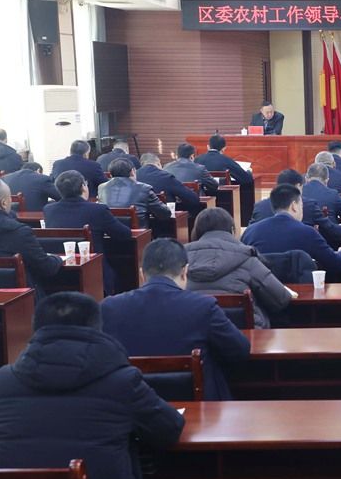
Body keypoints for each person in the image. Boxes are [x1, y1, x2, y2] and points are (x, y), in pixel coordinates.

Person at [0, 292, 184, 479]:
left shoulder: (5, 380)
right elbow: (168, 430)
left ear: (35, 329)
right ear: (98, 328)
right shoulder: (121, 381)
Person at [101, 239, 250, 400]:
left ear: (142, 274)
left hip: (131, 407)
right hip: (198, 408)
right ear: (185, 272)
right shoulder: (203, 306)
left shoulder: (110, 308)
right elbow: (240, 349)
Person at [185, 208, 293, 329]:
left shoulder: (180, 261)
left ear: (196, 232)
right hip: (246, 335)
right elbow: (281, 299)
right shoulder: (247, 257)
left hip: (193, 334)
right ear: (232, 230)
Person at [44, 170, 132, 295]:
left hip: (60, 273)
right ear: (83, 187)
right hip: (94, 272)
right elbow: (124, 234)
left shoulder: (49, 210)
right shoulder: (98, 209)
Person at [241, 184, 341, 273]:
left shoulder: (250, 232)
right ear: (294, 206)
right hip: (303, 293)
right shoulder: (308, 233)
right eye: (301, 206)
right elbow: (336, 264)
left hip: (262, 292)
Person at [0, 178, 62, 292]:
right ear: (4, 203)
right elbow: (46, 268)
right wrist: (57, 258)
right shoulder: (18, 232)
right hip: (20, 298)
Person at [98, 159, 172, 228]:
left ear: (110, 175)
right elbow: (165, 214)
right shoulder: (144, 188)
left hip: (109, 231)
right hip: (139, 233)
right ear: (132, 171)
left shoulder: (101, 188)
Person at [303, 162, 341, 247]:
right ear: (327, 180)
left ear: (306, 178)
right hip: (329, 243)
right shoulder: (332, 194)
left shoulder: (297, 195)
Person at [136, 152, 200, 211]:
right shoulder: (165, 176)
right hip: (165, 216)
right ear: (158, 163)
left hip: (140, 216)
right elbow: (192, 198)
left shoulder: (135, 176)